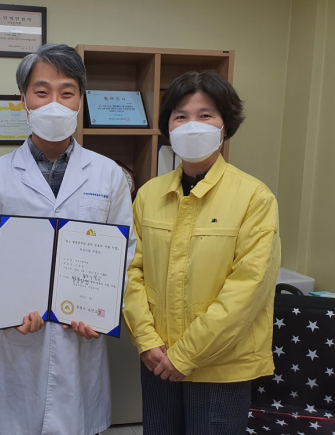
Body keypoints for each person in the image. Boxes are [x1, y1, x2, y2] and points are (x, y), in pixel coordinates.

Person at [0, 43, 137, 435]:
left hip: (82, 335)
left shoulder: (108, 174)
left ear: (80, 100)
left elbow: (125, 254)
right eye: (42, 92)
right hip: (20, 334)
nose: (54, 104)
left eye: (67, 92)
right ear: (23, 100)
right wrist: (9, 309)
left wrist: (102, 312)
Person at [123, 70, 281, 435]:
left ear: (225, 126)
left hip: (221, 366)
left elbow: (247, 290)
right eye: (181, 116)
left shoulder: (254, 198)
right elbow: (130, 271)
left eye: (205, 115)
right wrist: (147, 342)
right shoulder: (149, 195)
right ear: (168, 127)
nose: (192, 125)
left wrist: (186, 355)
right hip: (158, 359)